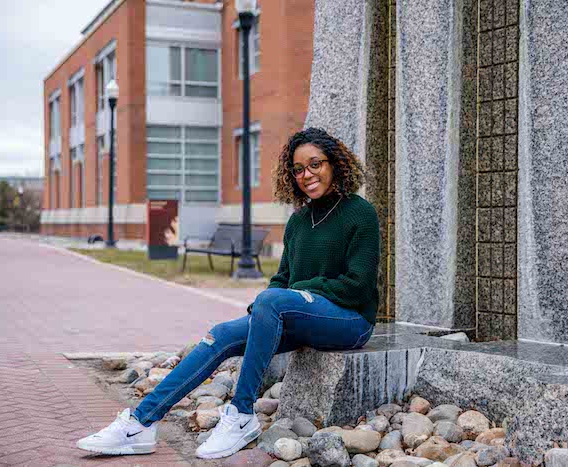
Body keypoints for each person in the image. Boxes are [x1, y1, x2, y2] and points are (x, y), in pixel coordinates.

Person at [76, 127, 380, 459]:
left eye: (315, 164)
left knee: (272, 301)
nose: (306, 175)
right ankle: (140, 423)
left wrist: (293, 293)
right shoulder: (298, 222)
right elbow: (282, 280)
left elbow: (357, 286)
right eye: (298, 169)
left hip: (349, 320)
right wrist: (266, 309)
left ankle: (241, 414)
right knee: (222, 334)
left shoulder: (359, 213)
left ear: (334, 163)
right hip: (302, 315)